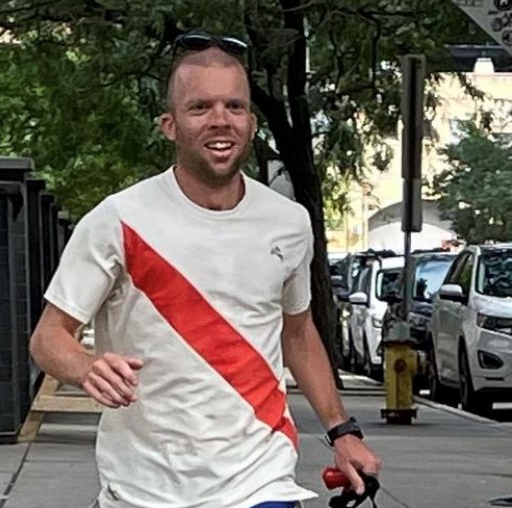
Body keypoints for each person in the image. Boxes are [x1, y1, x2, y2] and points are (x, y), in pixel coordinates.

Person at [29, 32, 382, 508]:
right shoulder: (118, 219)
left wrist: (343, 431)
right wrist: (87, 367)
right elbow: (49, 338)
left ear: (251, 122)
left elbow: (296, 332)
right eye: (200, 108)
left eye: (234, 107)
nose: (221, 121)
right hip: (146, 489)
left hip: (262, 481)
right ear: (169, 125)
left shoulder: (289, 222)